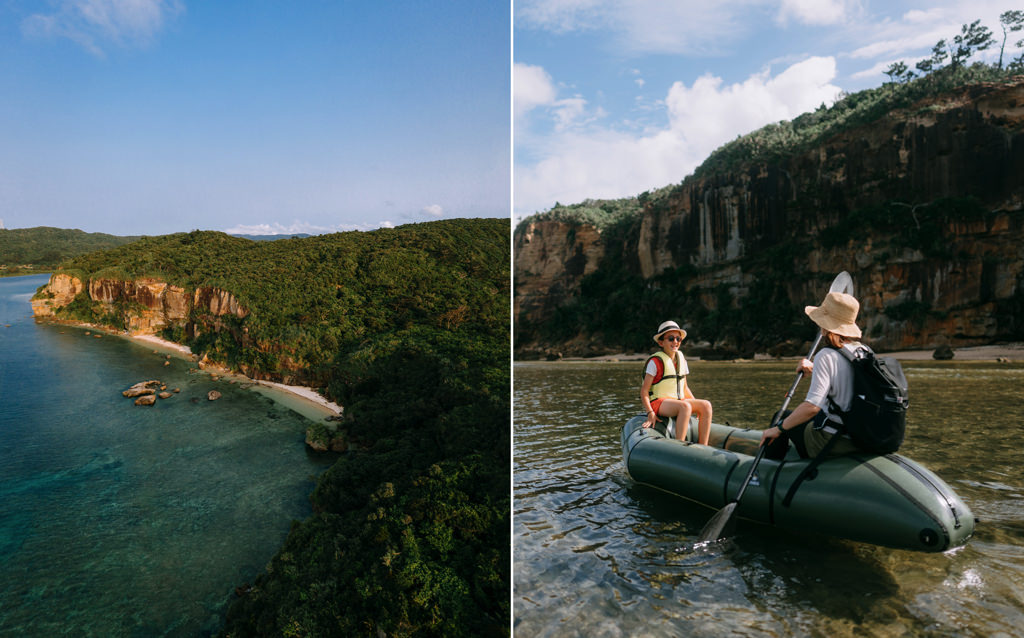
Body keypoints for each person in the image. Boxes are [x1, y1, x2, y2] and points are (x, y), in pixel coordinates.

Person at [760, 291, 865, 459]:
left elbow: (812, 407)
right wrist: (815, 368)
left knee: (781, 417)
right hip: (859, 437)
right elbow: (845, 377)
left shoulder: (826, 355)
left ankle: (767, 472)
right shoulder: (863, 351)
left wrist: (778, 429)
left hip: (832, 441)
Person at [640, 320, 712, 445]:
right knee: (685, 406)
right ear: (661, 342)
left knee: (706, 405)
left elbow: (684, 387)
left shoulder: (681, 360)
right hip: (659, 403)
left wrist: (697, 405)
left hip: (677, 402)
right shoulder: (655, 362)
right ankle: (679, 446)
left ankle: (703, 447)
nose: (675, 342)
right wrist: (650, 413)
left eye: (678, 339)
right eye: (671, 338)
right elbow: (644, 391)